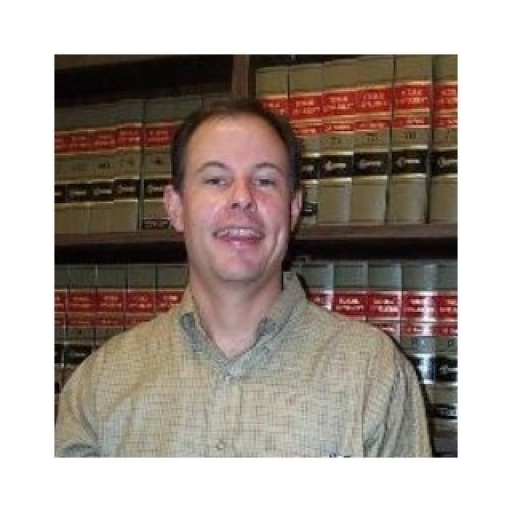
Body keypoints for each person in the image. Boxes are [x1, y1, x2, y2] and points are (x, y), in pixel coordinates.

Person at [55, 98, 432, 457]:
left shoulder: (373, 374)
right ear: (175, 207)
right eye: (216, 180)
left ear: (294, 209)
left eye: (265, 181)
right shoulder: (99, 385)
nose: (242, 197)